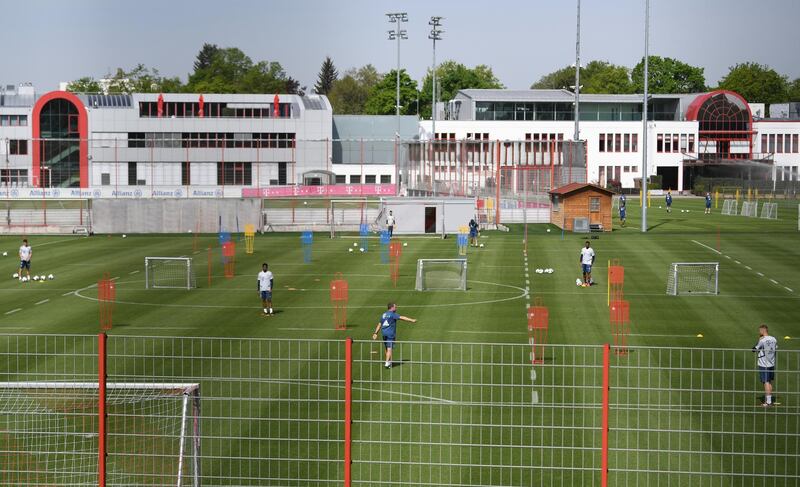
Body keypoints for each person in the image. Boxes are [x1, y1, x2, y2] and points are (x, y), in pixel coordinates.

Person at [372, 302, 417, 368]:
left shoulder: (384, 314)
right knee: (389, 349)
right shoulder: (392, 314)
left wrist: (375, 333)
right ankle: (387, 362)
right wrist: (411, 320)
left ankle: (389, 362)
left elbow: (379, 324)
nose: (396, 308)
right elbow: (402, 317)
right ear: (392, 308)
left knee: (387, 348)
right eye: (395, 307)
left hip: (384, 333)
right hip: (390, 334)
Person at [752, 324, 778, 407]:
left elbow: (754, 349)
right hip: (771, 363)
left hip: (764, 364)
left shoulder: (762, 340)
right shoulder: (773, 339)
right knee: (769, 381)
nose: (759, 332)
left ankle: (768, 402)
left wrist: (759, 340)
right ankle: (769, 400)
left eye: (760, 331)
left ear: (763, 331)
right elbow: (776, 348)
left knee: (766, 382)